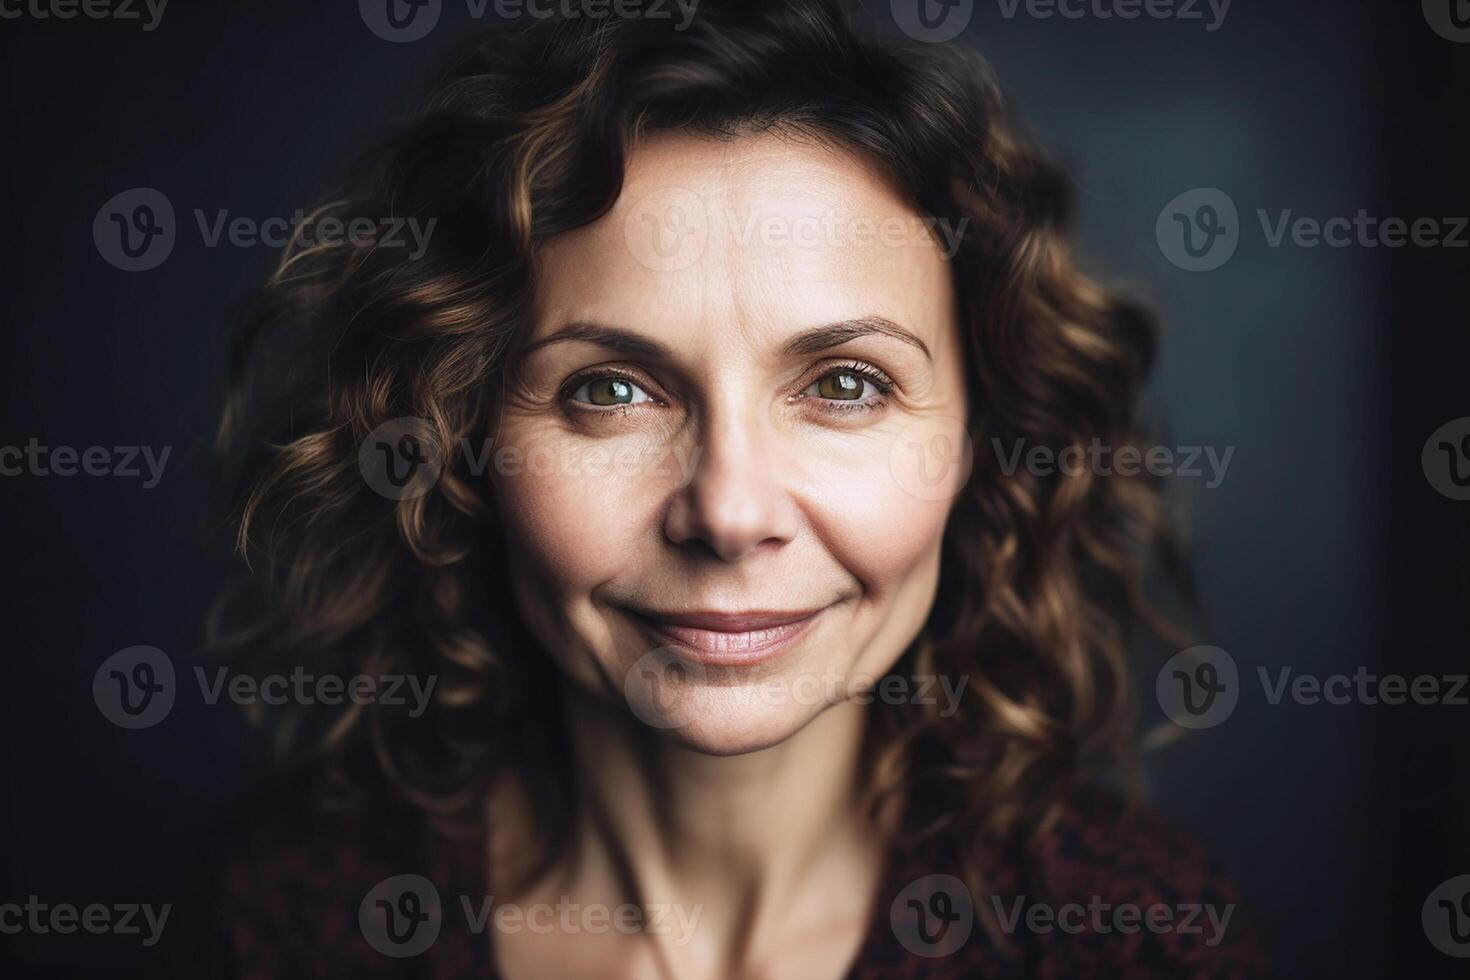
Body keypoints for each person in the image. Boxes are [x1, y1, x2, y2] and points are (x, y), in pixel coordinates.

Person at [201, 1, 1270, 976]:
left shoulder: (1133, 937)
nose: (729, 511)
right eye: (610, 389)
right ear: (461, 442)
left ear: (980, 442)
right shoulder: (292, 920)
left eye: (846, 384)